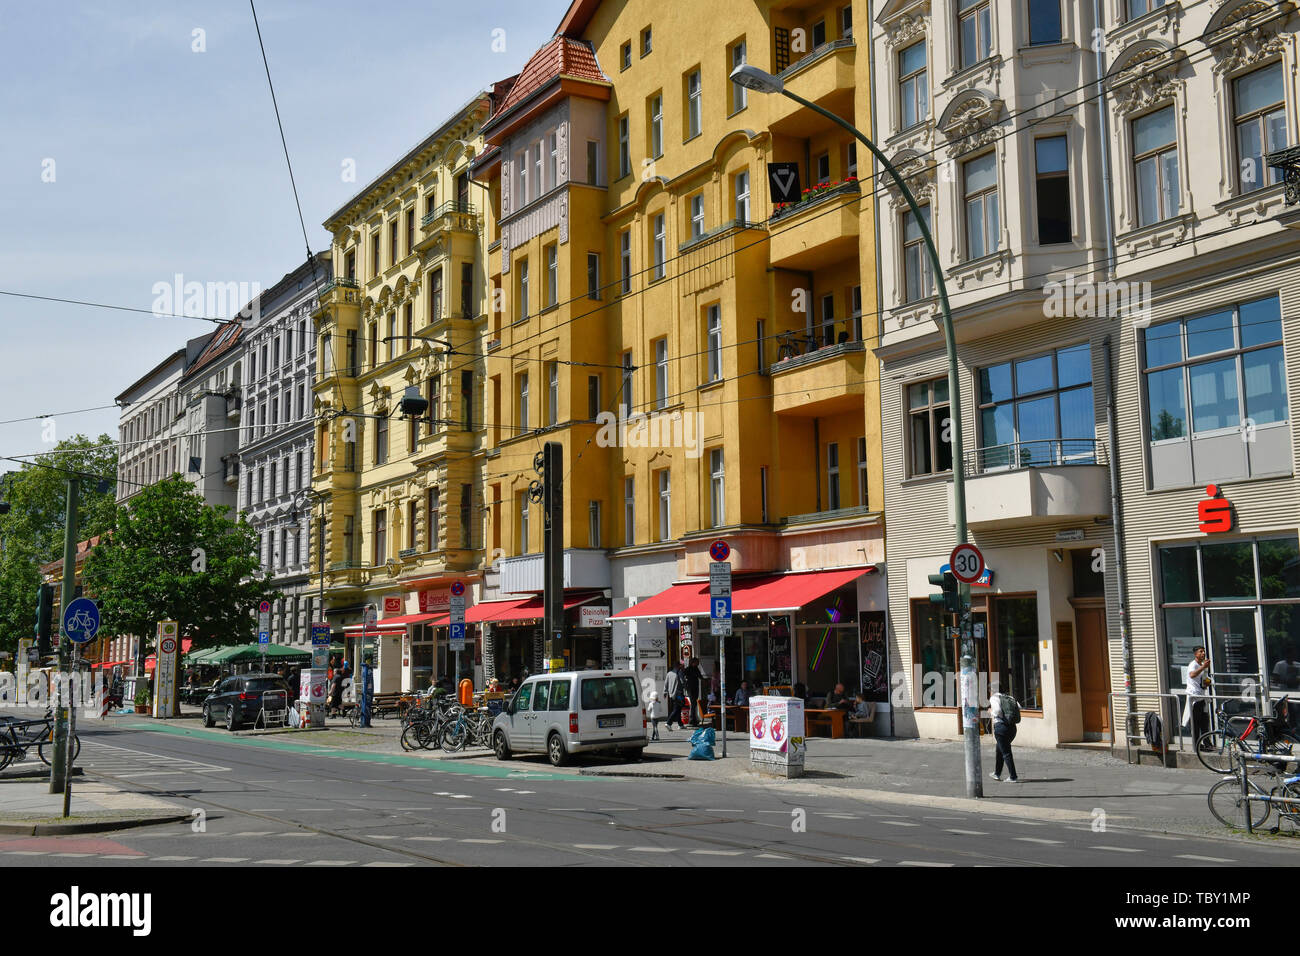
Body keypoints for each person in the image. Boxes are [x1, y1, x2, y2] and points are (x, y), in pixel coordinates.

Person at [989, 691, 1020, 783]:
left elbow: (997, 711)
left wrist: (991, 712)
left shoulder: (994, 698)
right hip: (1012, 728)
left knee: (1006, 752)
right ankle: (997, 773)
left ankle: (1013, 776)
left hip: (1001, 727)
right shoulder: (1010, 697)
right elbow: (1018, 707)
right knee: (1000, 750)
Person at [1185, 646, 1212, 747]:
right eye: (1201, 652)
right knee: (1195, 723)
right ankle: (1197, 745)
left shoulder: (1202, 664)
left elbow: (1204, 679)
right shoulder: (1193, 664)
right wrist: (1203, 667)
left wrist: (1208, 682)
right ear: (1195, 654)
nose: (1203, 653)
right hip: (1194, 698)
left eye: (1204, 651)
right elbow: (1192, 675)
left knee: (1204, 722)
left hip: (1201, 696)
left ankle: (1207, 743)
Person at [664, 665, 684, 731]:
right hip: (679, 694)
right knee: (677, 708)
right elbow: (682, 681)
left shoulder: (669, 673)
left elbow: (666, 684)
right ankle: (668, 723)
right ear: (678, 666)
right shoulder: (679, 672)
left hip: (671, 694)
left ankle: (680, 724)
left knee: (678, 708)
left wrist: (665, 692)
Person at [684, 660, 703, 726]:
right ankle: (692, 720)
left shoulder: (695, 668)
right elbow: (699, 676)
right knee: (693, 703)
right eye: (697, 662)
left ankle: (693, 719)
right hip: (691, 688)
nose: (698, 663)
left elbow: (699, 676)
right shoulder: (688, 669)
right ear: (693, 662)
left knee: (694, 703)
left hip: (694, 688)